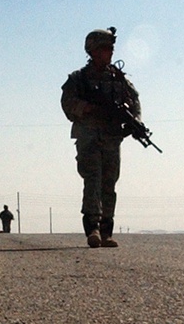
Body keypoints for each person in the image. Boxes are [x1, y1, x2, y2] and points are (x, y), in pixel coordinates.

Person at [61, 27, 144, 248]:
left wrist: (135, 121)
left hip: (111, 137)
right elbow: (67, 104)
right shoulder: (78, 79)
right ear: (93, 50)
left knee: (110, 182)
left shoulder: (118, 79)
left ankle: (106, 230)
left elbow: (134, 101)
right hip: (88, 135)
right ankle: (92, 228)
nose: (109, 52)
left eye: (110, 48)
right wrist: (88, 109)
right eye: (105, 48)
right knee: (93, 179)